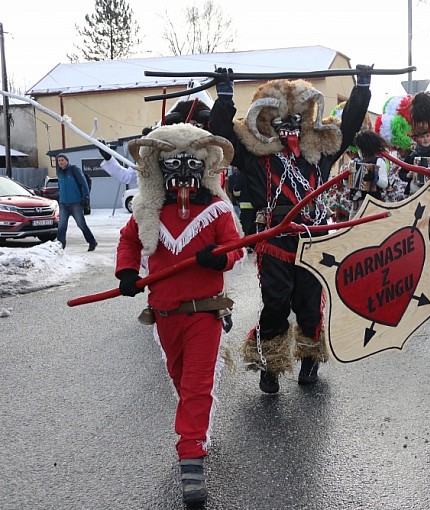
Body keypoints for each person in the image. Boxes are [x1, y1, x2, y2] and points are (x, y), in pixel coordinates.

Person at [209, 65, 372, 393]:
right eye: (280, 122)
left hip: (313, 240)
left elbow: (350, 124)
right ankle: (269, 363)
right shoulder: (256, 156)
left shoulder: (320, 153)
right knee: (276, 303)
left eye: (295, 121)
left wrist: (362, 87)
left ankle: (310, 357)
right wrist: (225, 95)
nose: (289, 129)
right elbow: (221, 135)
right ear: (268, 122)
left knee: (310, 304)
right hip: (274, 240)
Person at [116, 124, 244, 504]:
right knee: (179, 377)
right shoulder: (148, 210)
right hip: (164, 315)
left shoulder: (218, 209)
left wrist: (220, 256)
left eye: (191, 161)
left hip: (205, 315)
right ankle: (196, 431)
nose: (183, 169)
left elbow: (237, 247)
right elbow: (128, 241)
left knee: (197, 384)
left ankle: (191, 456)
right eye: (174, 162)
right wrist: (127, 271)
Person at [54, 154, 98, 251]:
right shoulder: (59, 172)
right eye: (59, 161)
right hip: (64, 203)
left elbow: (83, 183)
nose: (61, 162)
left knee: (81, 224)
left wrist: (86, 197)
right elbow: (60, 187)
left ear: (67, 161)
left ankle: (92, 242)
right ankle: (60, 247)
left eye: (62, 160)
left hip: (75, 203)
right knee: (61, 225)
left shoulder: (74, 170)